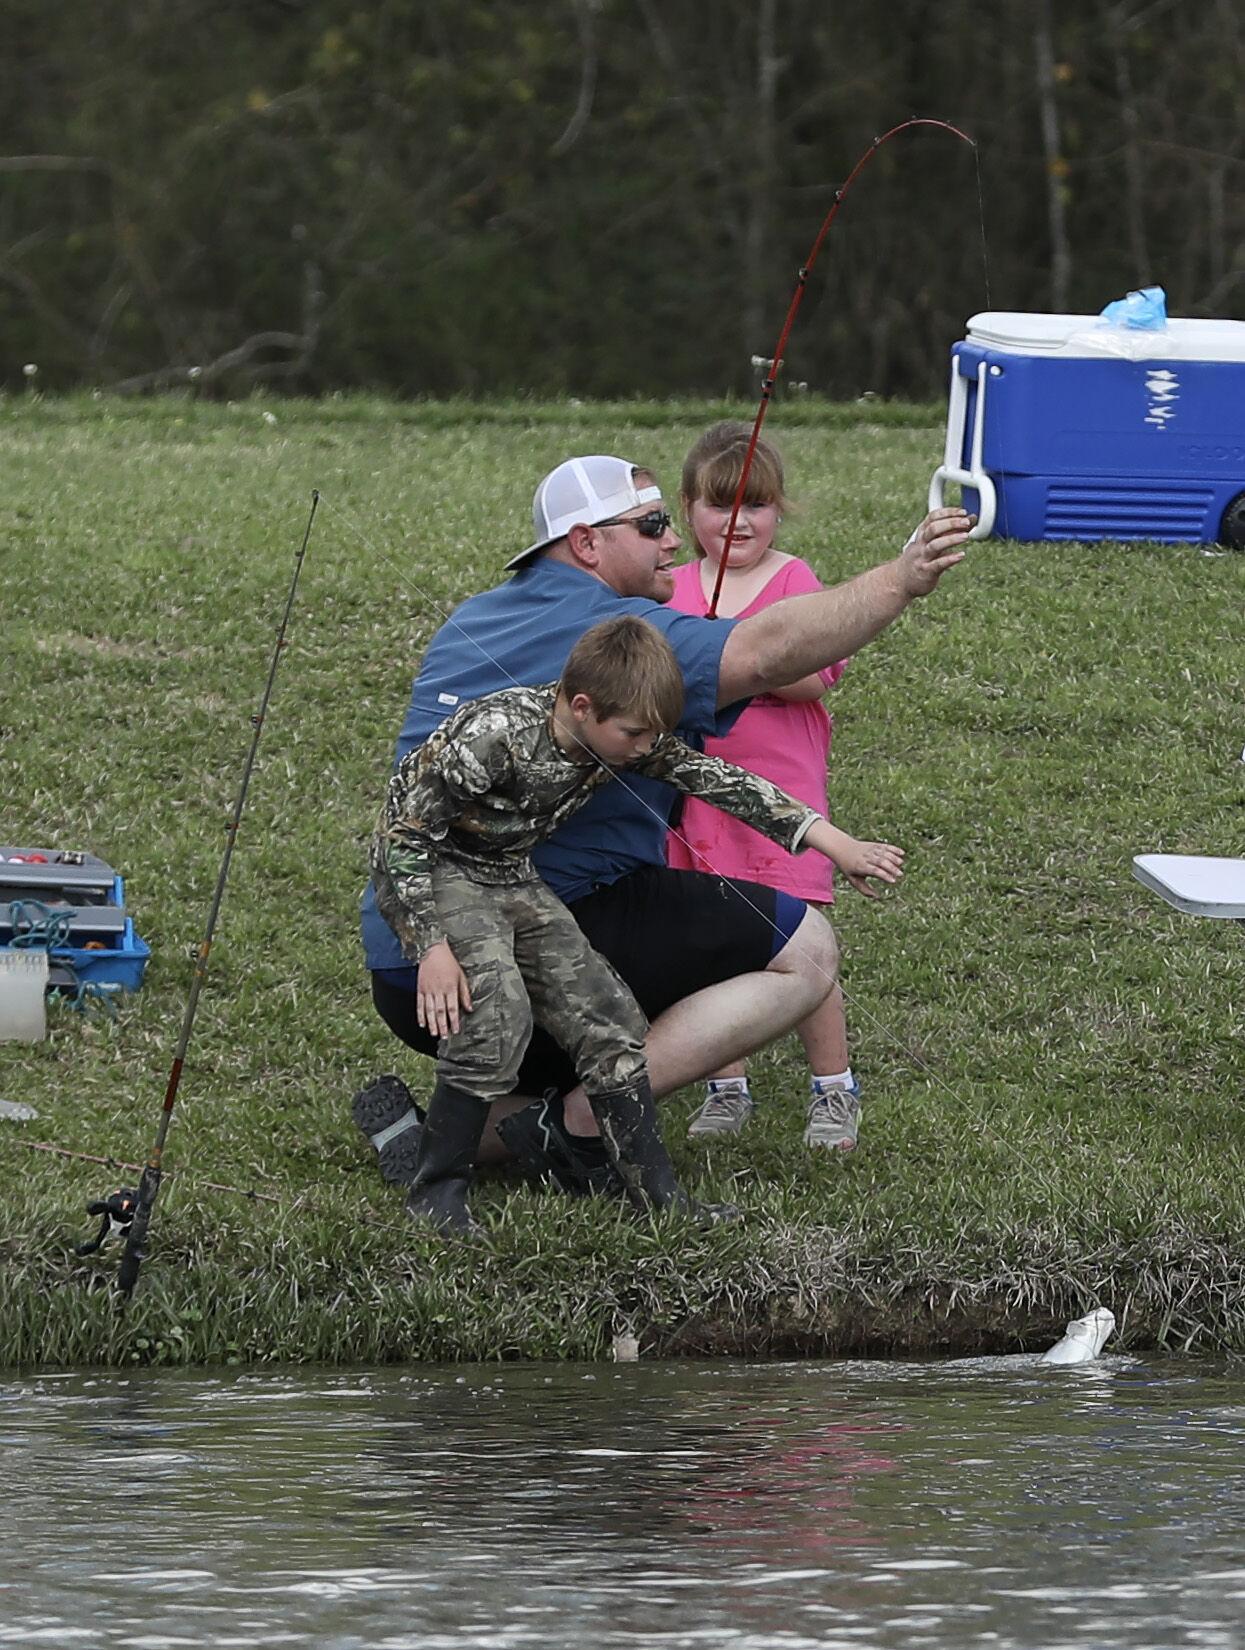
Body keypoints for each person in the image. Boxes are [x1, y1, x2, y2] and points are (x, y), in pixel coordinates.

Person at [356, 452, 972, 1193]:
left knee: (557, 1020)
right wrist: (901, 578)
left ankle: (426, 1136)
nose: (673, 542)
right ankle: (579, 1128)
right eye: (651, 525)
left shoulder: (471, 617)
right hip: (488, 946)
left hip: (400, 975)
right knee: (802, 954)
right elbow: (768, 649)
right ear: (586, 543)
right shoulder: (611, 637)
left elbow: (696, 772)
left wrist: (824, 838)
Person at [371, 615, 903, 1231]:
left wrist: (836, 844)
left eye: (655, 735)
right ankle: (437, 1191)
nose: (647, 748)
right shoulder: (495, 734)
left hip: (512, 875)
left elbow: (718, 780)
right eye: (635, 734)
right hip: (444, 876)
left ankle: (657, 1196)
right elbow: (402, 836)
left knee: (609, 1016)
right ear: (581, 706)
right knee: (498, 1015)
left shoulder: (620, 732)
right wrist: (431, 944)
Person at [667, 422, 868, 1151]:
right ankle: (725, 1086)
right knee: (708, 950)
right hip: (692, 805)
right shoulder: (673, 589)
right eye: (719, 506)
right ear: (687, 510)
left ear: (778, 510)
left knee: (805, 951)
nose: (738, 522)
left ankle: (833, 1090)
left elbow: (813, 675)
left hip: (781, 807)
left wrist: (736, 646)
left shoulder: (794, 581)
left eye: (755, 505)